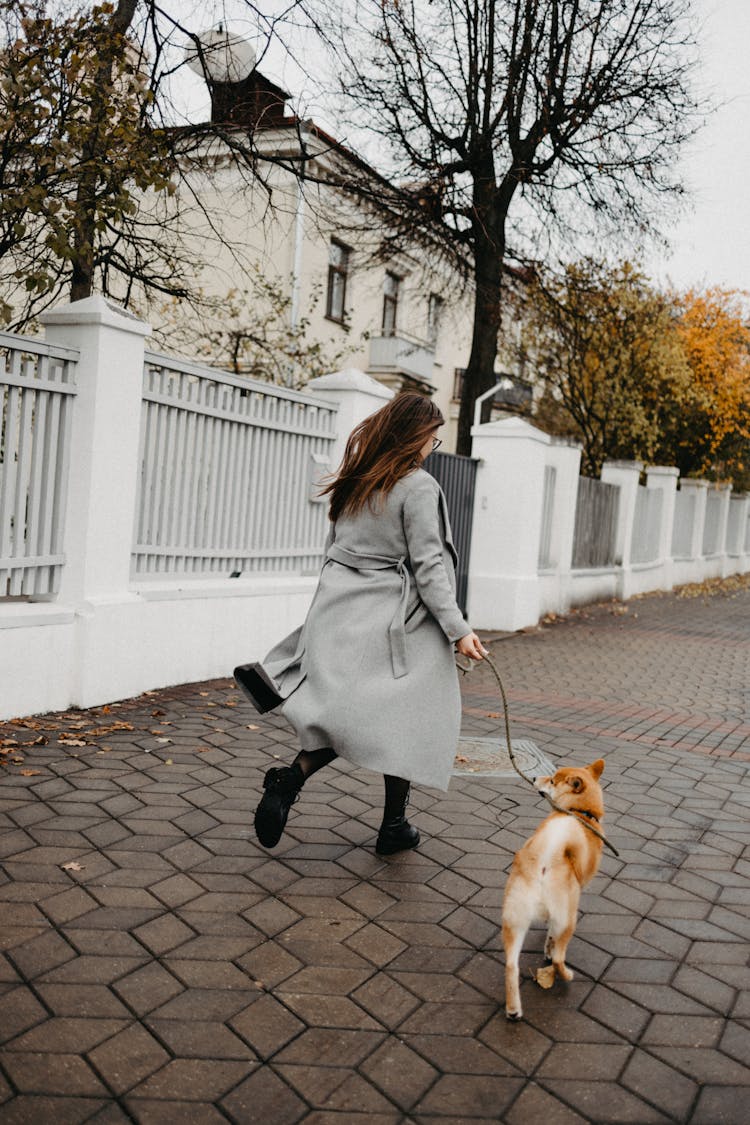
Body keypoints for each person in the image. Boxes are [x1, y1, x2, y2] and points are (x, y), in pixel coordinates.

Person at [236, 392, 486, 855]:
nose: (433, 445)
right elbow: (429, 567)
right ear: (415, 437)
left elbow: (332, 548)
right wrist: (459, 629)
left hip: (339, 608)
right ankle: (364, 811)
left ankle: (327, 795)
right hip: (392, 617)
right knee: (404, 713)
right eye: (433, 437)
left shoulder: (356, 480)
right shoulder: (417, 487)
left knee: (371, 715)